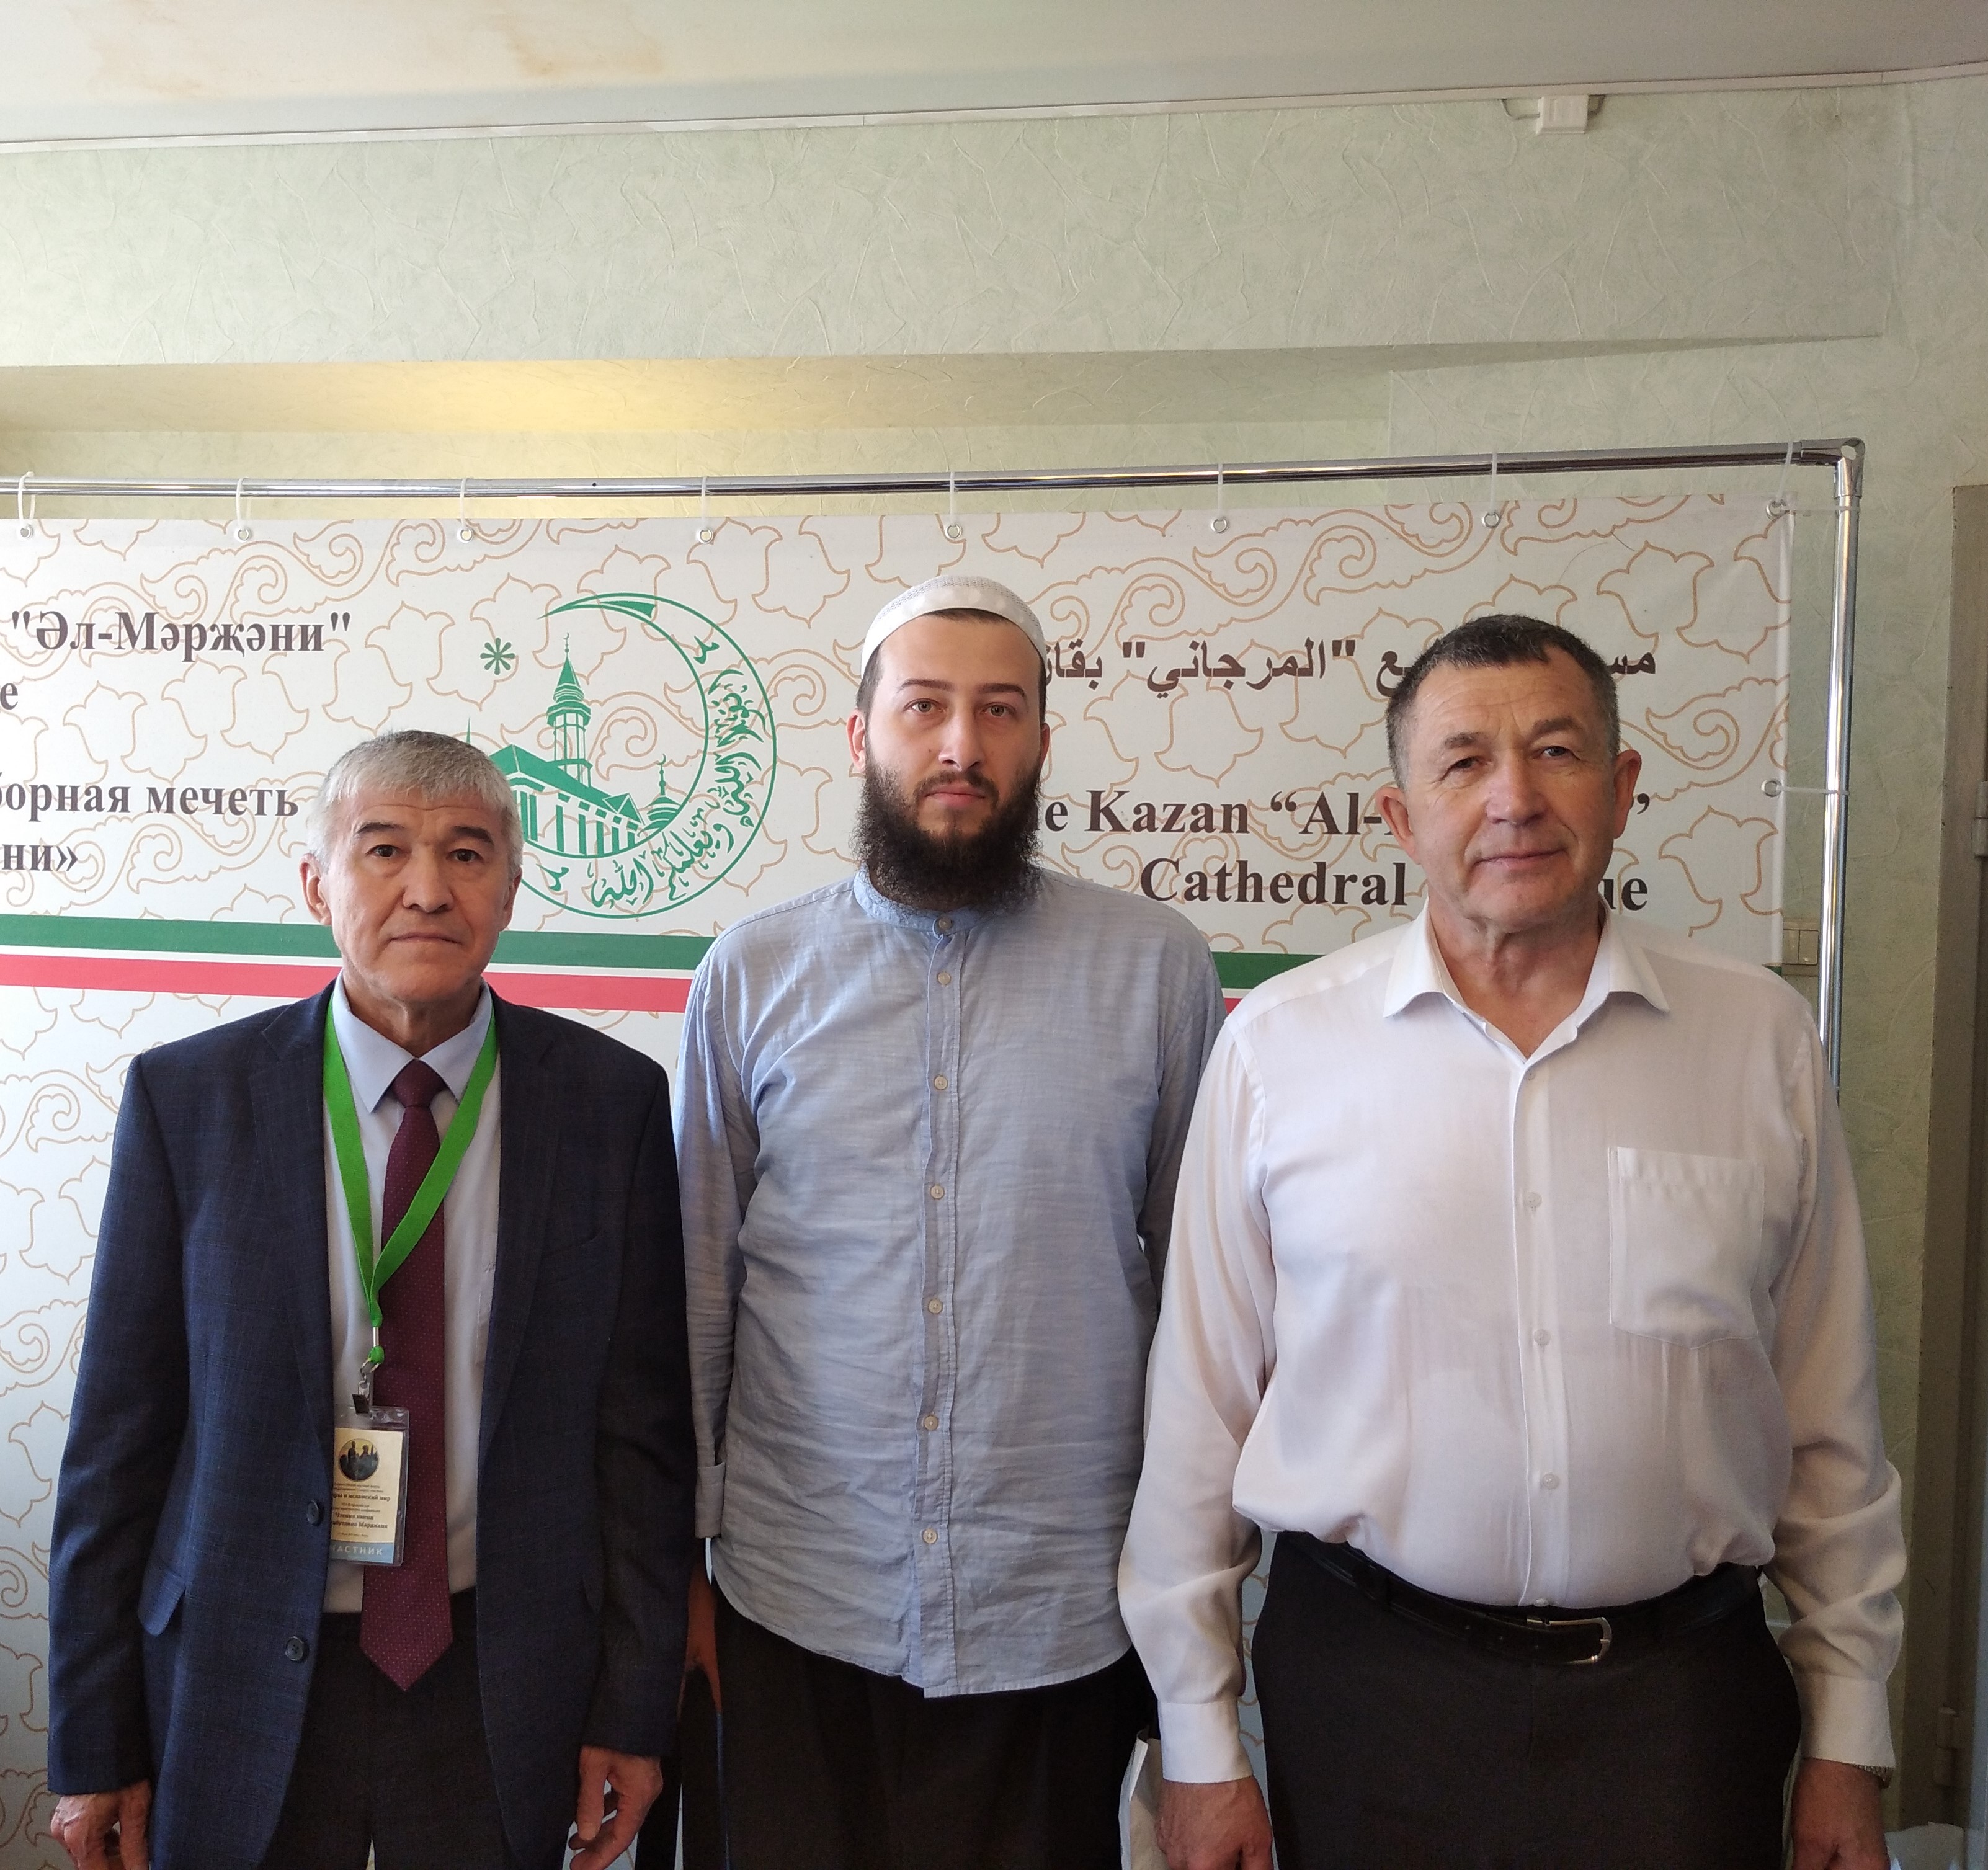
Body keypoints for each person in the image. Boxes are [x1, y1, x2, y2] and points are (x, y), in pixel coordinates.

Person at [1120, 614, 1906, 1870]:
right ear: (1399, 814)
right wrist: (1200, 1749)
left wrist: (1849, 1740)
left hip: (1681, 1710)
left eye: (1555, 750)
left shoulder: (1756, 1040)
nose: (1513, 799)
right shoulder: (1277, 1049)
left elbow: (1829, 1420)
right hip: (1368, 1696)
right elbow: (1198, 1421)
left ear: (1622, 787)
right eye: (1463, 762)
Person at [47, 729, 696, 1870]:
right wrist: (93, 1740)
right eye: (384, 849)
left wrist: (634, 1711)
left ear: (511, 888)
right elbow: (118, 1440)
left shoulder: (612, 1104)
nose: (427, 890)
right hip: (235, 1665)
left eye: (467, 854)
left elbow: (642, 1444)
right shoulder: (188, 1101)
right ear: (316, 884)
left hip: (503, 1672)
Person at [675, 574, 1225, 1869]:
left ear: (1041, 740)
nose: (961, 744)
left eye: (999, 711)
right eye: (923, 706)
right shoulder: (752, 971)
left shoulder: (1156, 969)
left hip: (1059, 1609)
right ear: (860, 734)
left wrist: (1192, 1613)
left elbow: (1205, 1309)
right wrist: (680, 1570)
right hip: (792, 1595)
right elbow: (697, 1292)